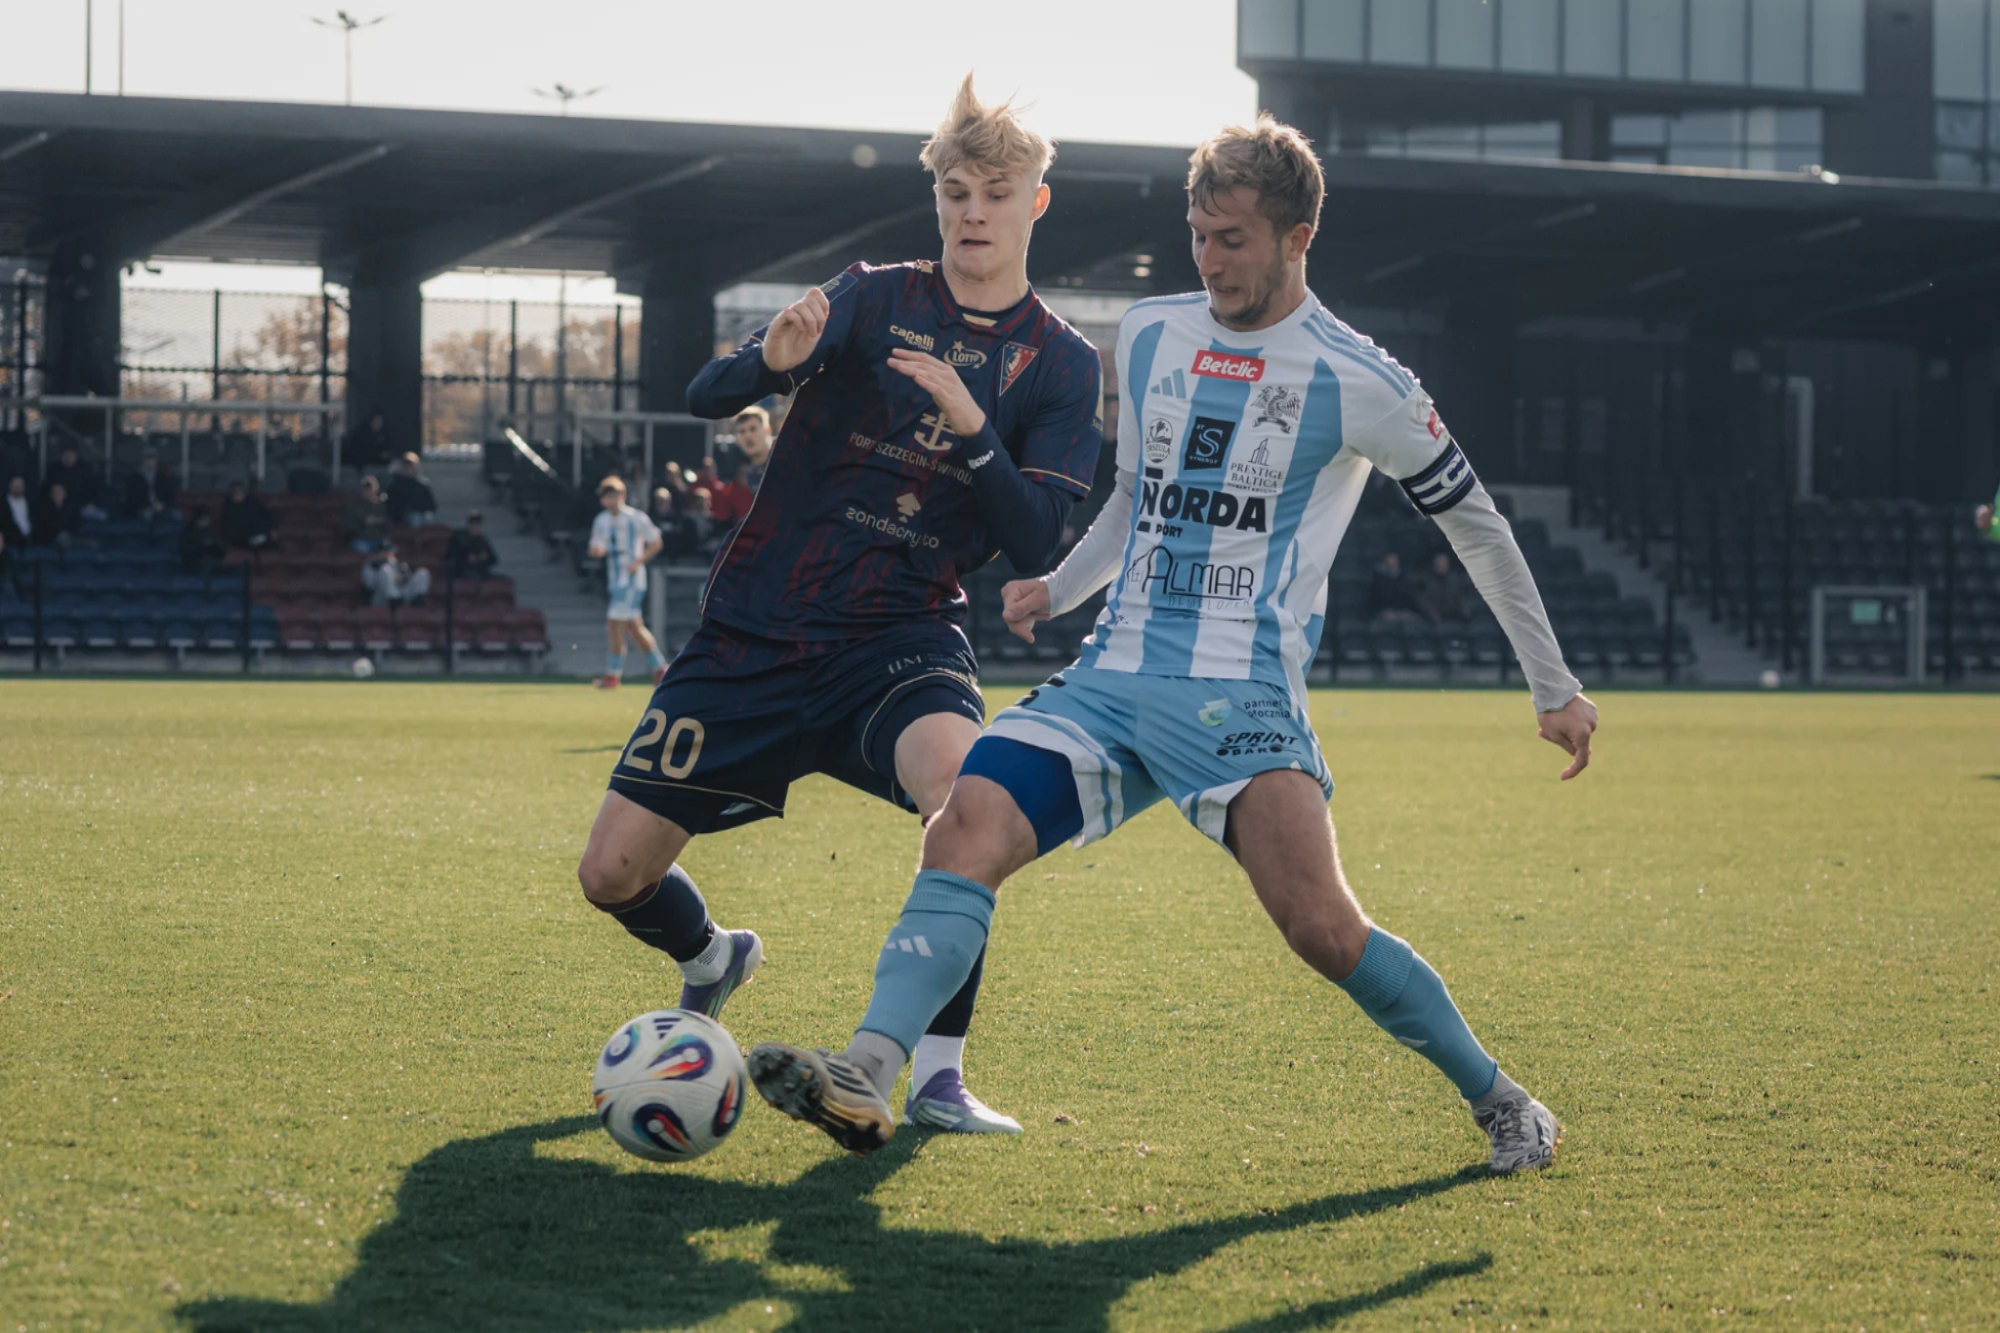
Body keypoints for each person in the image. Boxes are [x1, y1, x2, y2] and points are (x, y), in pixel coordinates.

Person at [744, 116, 1597, 1175]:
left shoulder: (1360, 379)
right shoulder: (1150, 333)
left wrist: (1552, 686)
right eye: (1197, 234)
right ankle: (869, 1070)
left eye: (1232, 239)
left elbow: (1477, 526)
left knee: (1322, 928)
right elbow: (1136, 499)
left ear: (1297, 238)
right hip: (1111, 673)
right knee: (963, 823)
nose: (1209, 259)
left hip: (1239, 692)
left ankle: (1504, 1100)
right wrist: (1063, 586)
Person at [573, 74, 1102, 1137]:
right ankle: (712, 957)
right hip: (755, 630)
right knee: (611, 874)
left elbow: (1037, 536)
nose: (972, 214)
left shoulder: (1063, 363)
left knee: (967, 799)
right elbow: (707, 392)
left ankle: (935, 1075)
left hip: (898, 637)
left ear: (1035, 202)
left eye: (996, 194)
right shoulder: (872, 295)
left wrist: (973, 429)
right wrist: (765, 365)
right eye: (955, 193)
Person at [584, 476, 668, 689]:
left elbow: (656, 541)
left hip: (631, 579)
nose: (611, 500)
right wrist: (596, 551)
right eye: (607, 496)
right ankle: (661, 670)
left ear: (623, 496)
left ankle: (613, 675)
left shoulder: (635, 517)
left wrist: (638, 561)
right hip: (614, 578)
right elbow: (596, 547)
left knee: (614, 625)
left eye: (614, 495)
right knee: (635, 628)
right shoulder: (601, 520)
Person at [44, 445, 107, 522]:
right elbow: (49, 490)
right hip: (62, 508)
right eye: (65, 453)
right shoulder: (54, 471)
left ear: (76, 455)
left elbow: (95, 489)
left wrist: (93, 502)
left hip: (85, 507)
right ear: (60, 455)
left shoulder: (85, 469)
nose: (68, 456)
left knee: (101, 516)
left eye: (71, 454)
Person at [360, 542, 433, 607]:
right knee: (385, 569)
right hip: (382, 597)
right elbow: (370, 586)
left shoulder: (398, 564)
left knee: (422, 572)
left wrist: (403, 575)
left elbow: (406, 580)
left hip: (401, 595)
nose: (388, 554)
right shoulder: (370, 566)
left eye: (390, 552)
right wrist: (384, 572)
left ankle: (418, 599)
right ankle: (394, 598)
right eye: (384, 552)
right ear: (377, 553)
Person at [1414, 549, 1471, 624]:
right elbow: (1423, 601)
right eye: (1438, 563)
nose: (1441, 566)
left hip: (1452, 615)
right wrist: (1434, 616)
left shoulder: (1453, 580)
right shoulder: (1426, 581)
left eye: (1443, 564)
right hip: (1432, 618)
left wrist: (1465, 613)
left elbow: (1460, 598)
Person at [218, 480, 276, 552]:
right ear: (231, 494)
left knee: (265, 537)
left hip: (258, 534)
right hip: (241, 538)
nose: (239, 495)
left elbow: (267, 515)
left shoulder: (253, 502)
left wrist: (272, 528)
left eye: (241, 492)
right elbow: (226, 528)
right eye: (236, 493)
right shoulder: (227, 507)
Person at [121, 449, 179, 520]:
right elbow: (134, 498)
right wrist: (151, 505)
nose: (150, 461)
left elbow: (169, 495)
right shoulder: (135, 477)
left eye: (152, 459)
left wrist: (163, 505)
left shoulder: (162, 477)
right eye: (148, 459)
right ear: (143, 460)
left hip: (161, 507)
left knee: (176, 514)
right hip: (142, 508)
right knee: (147, 515)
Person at [386, 452, 439, 528]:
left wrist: (418, 507)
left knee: (425, 516)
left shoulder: (422, 485)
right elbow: (391, 505)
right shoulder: (395, 484)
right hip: (401, 517)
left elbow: (431, 506)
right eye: (406, 465)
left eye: (411, 465)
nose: (408, 468)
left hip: (420, 515)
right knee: (415, 517)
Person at [445, 510, 500, 581]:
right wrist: (466, 559)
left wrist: (485, 557)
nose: (476, 528)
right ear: (469, 525)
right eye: (473, 525)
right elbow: (449, 557)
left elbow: (494, 560)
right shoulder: (458, 539)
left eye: (478, 525)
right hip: (463, 571)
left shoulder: (482, 540)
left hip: (481, 571)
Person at [1366, 550, 1420, 622]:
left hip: (1400, 610)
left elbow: (1406, 596)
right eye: (1390, 559)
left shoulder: (1401, 577)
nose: (1393, 561)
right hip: (1383, 610)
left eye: (1395, 559)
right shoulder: (1379, 577)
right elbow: (1378, 597)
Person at [343, 476, 392, 553]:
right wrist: (364, 522)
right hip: (359, 539)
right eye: (366, 489)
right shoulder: (352, 505)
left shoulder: (379, 506)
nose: (368, 492)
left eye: (370, 490)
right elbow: (348, 526)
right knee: (363, 548)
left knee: (388, 548)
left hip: (377, 539)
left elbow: (388, 524)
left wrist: (380, 521)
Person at [178, 506, 225, 576]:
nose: (207, 520)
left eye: (207, 517)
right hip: (196, 564)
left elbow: (219, 549)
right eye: (204, 518)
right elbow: (187, 551)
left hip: (212, 562)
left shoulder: (212, 532)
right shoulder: (189, 533)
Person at [30, 481, 78, 546]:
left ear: (65, 493)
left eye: (59, 491)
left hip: (71, 537)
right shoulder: (43, 510)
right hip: (50, 540)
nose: (57, 494)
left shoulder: (72, 509)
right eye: (55, 492)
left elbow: (75, 526)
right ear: (51, 494)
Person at [344, 409, 393, 474]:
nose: (378, 423)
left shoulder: (383, 435)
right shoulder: (362, 434)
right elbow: (362, 453)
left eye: (380, 421)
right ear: (371, 421)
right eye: (376, 420)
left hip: (380, 467)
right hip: (363, 468)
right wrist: (377, 454)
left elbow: (387, 452)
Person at [1, 475, 30, 549]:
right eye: (15, 485)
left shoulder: (31, 503)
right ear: (10, 486)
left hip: (30, 543)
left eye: (20, 485)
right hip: (9, 545)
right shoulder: (2, 504)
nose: (18, 487)